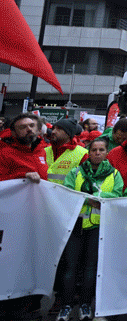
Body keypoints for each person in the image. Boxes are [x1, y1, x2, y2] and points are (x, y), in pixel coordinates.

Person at [57, 136, 120, 321]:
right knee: (70, 267)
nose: (97, 153)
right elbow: (68, 192)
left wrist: (94, 196)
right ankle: (66, 305)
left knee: (91, 268)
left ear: (107, 153)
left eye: (101, 150)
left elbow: (116, 194)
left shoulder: (114, 174)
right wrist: (91, 198)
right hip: (75, 225)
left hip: (98, 227)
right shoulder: (76, 172)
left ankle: (85, 304)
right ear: (88, 152)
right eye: (94, 150)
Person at [0, 114, 49, 321]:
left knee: (35, 259)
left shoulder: (43, 152)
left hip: (37, 217)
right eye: (22, 127)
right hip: (11, 220)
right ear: (13, 132)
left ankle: (31, 306)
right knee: (11, 261)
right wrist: (20, 178)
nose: (28, 129)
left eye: (32, 125)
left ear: (39, 129)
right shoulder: (4, 153)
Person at [44, 118, 86, 185]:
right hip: (43, 193)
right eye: (53, 128)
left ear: (68, 133)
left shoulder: (83, 154)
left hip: (67, 194)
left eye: (59, 129)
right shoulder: (44, 151)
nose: (53, 132)